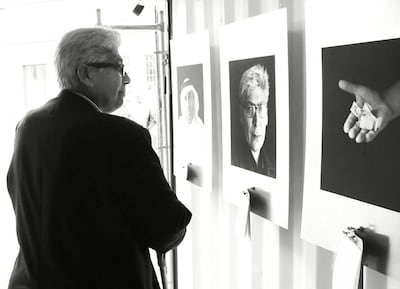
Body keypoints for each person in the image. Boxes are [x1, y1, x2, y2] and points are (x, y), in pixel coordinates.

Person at [7, 27, 191, 289]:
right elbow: (167, 229)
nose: (126, 79)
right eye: (119, 67)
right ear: (85, 73)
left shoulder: (28, 126)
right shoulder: (120, 135)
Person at [231, 64, 276, 178]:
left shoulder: (273, 163)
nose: (257, 122)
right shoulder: (232, 163)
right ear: (241, 115)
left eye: (260, 108)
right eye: (250, 109)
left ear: (267, 115)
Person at [176, 78, 205, 169]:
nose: (188, 105)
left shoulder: (200, 126)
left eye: (191, 98)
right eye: (185, 99)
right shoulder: (178, 126)